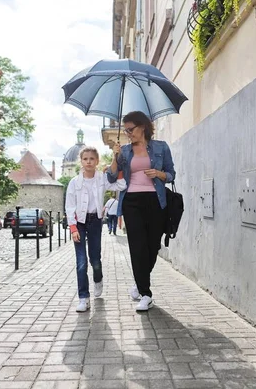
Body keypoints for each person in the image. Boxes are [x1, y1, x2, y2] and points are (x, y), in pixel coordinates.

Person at [107, 111, 176, 312]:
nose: (128, 133)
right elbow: (112, 178)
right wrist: (115, 156)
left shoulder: (161, 147)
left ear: (143, 127)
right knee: (137, 247)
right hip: (132, 201)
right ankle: (146, 294)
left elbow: (172, 174)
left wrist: (159, 173)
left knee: (152, 246)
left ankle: (139, 283)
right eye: (126, 130)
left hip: (156, 200)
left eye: (131, 129)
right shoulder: (125, 151)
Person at [66, 146, 127, 312]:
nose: (88, 162)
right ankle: (84, 298)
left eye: (92, 159)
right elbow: (70, 206)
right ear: (81, 161)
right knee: (81, 262)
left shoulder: (102, 178)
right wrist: (73, 228)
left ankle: (98, 279)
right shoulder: (74, 183)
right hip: (79, 222)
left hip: (95, 222)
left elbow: (121, 185)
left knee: (95, 260)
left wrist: (116, 169)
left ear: (97, 161)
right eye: (85, 159)